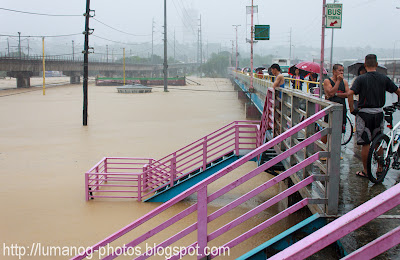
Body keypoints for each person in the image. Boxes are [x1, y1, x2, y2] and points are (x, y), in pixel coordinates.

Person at [347, 54, 400, 178]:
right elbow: (397, 91)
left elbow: (350, 93)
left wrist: (351, 109)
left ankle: (366, 171)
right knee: (378, 142)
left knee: (366, 143)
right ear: (376, 65)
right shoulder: (384, 78)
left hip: (364, 113)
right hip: (378, 113)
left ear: (365, 65)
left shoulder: (360, 79)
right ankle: (380, 168)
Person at [323, 64, 350, 139]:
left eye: (342, 71)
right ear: (334, 71)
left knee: (339, 131)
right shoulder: (327, 81)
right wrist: (338, 81)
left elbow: (348, 94)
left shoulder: (344, 82)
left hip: (342, 109)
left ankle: (335, 149)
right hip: (330, 109)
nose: (341, 73)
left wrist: (336, 94)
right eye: (339, 70)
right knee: (327, 131)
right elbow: (330, 93)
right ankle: (323, 148)